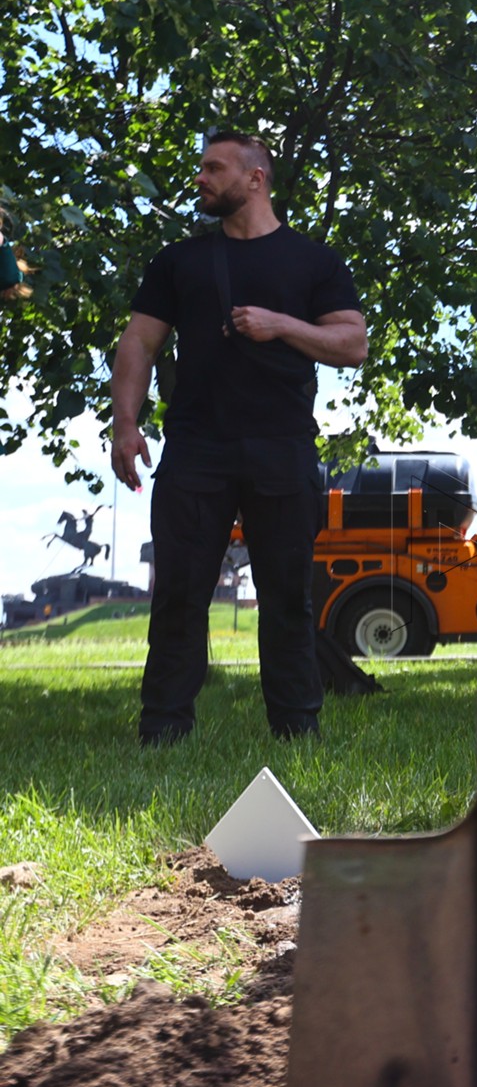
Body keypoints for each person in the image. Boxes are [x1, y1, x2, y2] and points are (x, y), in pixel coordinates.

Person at [109, 131, 366, 746]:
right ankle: (164, 730)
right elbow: (139, 342)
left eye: (213, 168)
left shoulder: (314, 261)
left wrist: (279, 324)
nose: (200, 178)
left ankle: (297, 728)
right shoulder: (179, 261)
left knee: (287, 598)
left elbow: (352, 344)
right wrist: (124, 424)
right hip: (197, 448)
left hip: (283, 447)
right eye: (200, 167)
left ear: (255, 178)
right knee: (178, 593)